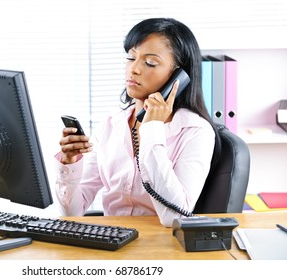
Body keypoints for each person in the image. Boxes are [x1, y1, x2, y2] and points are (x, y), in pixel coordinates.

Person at [54, 18, 220, 227]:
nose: (134, 69)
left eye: (150, 62)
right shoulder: (112, 123)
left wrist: (152, 130)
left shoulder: (196, 132)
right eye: (131, 58)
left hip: (161, 248)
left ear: (180, 75)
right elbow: (72, 212)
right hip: (112, 241)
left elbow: (175, 216)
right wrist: (70, 166)